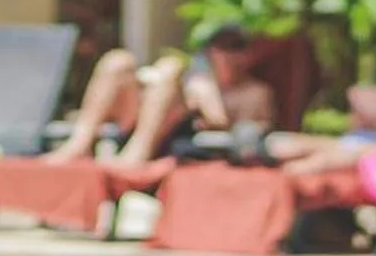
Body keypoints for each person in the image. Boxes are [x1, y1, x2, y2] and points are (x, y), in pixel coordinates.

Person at [47, 27, 276, 167]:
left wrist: (211, 106)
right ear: (211, 52)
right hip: (149, 129)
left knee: (170, 68)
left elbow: (249, 137)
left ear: (247, 55)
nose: (228, 55)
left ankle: (137, 153)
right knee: (118, 62)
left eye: (236, 48)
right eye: (222, 48)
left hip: (192, 144)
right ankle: (80, 143)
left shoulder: (255, 92)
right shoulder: (199, 81)